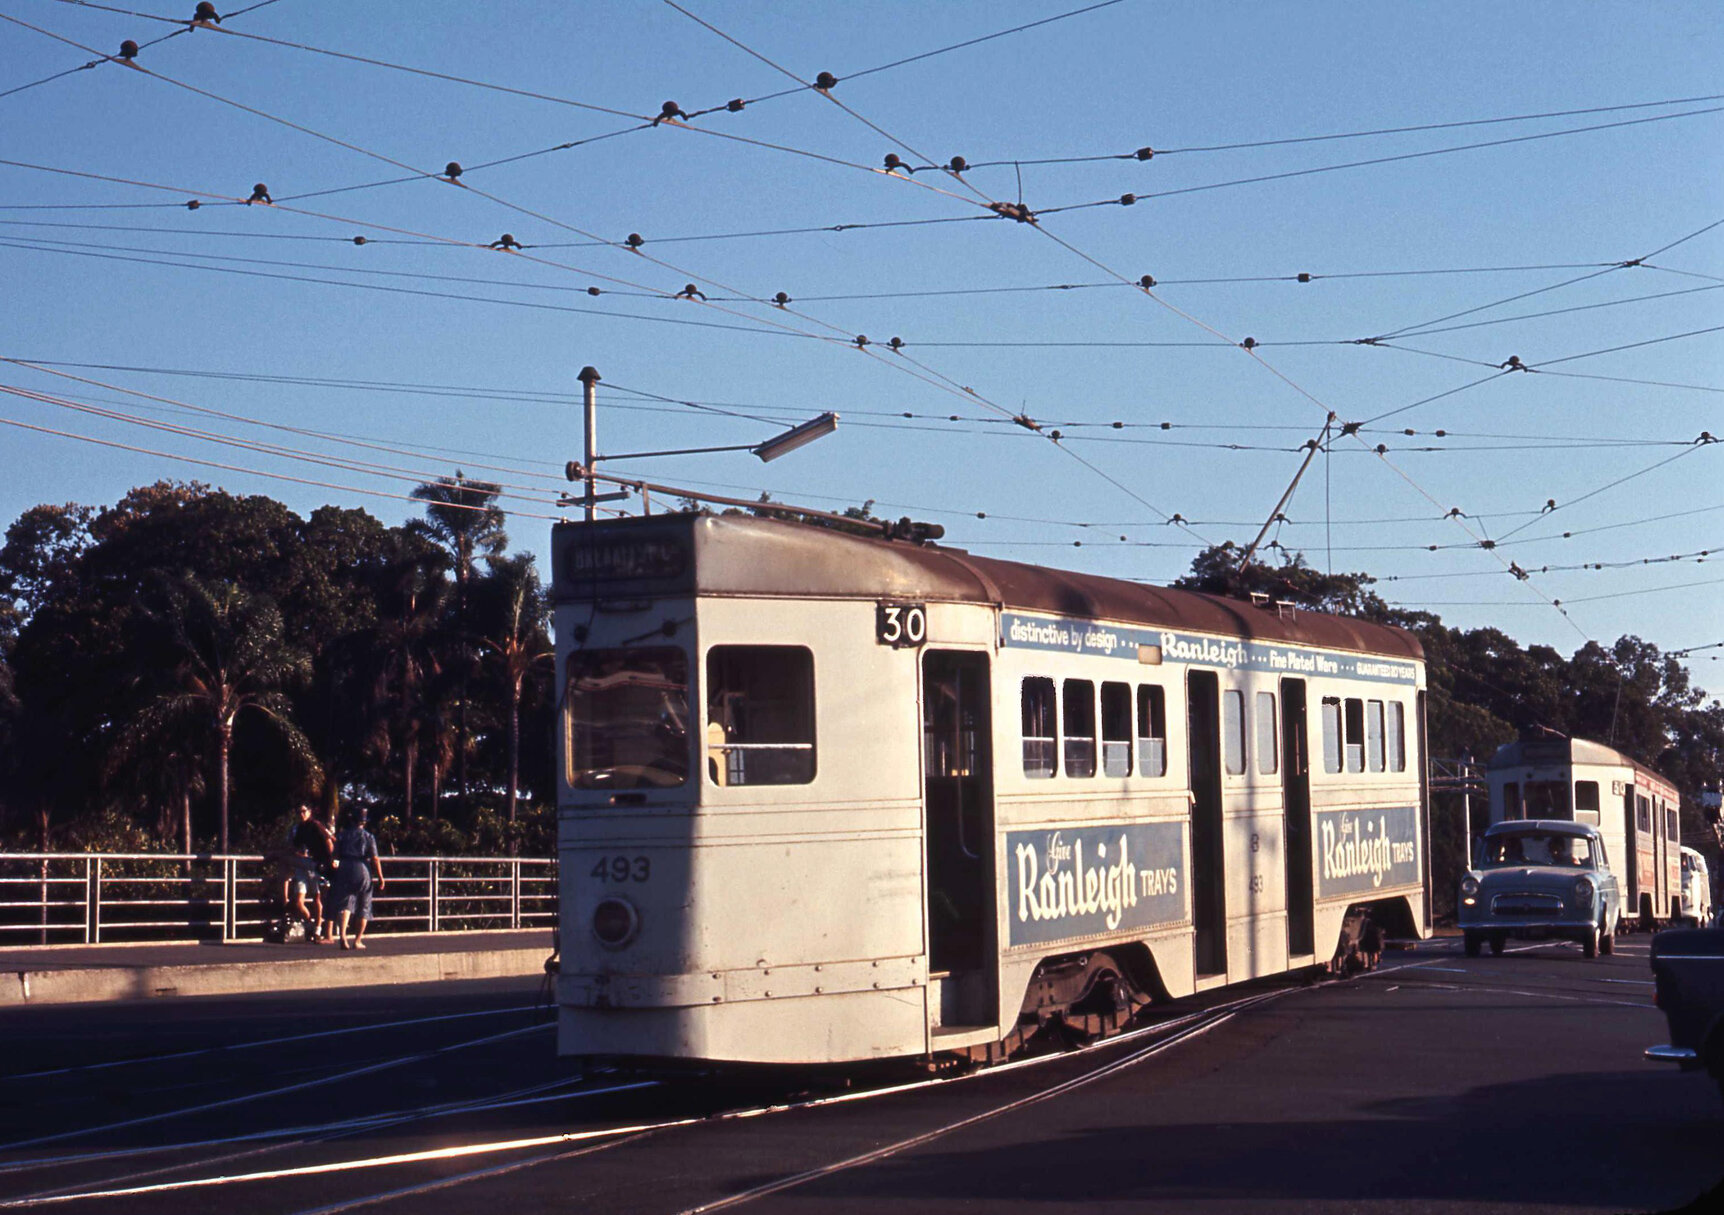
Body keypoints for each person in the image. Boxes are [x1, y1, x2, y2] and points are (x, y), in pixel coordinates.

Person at [332, 808, 385, 950]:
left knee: (345, 903)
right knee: (364, 905)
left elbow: (335, 856)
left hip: (345, 867)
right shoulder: (368, 837)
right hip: (362, 867)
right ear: (364, 822)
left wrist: (335, 869)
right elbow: (374, 858)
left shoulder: (342, 835)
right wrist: (380, 876)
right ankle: (357, 940)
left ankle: (343, 936)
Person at [288, 803, 333, 942]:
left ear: (309, 812)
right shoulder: (300, 828)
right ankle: (310, 923)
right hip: (307, 863)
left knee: (317, 898)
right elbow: (294, 846)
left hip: (319, 864)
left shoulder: (315, 825)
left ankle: (318, 929)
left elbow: (329, 840)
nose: (301, 814)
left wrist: (331, 860)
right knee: (298, 901)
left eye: (303, 811)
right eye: (299, 812)